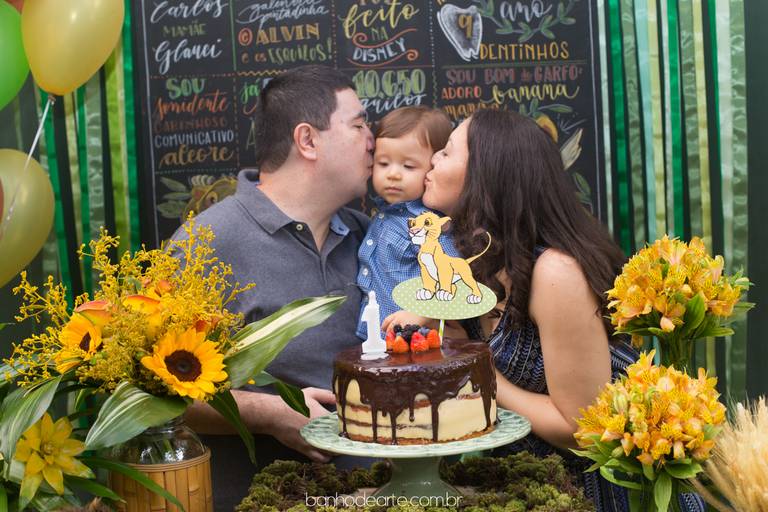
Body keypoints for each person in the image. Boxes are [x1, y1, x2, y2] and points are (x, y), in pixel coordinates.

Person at [410, 109, 705, 511]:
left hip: (602, 495)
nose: (432, 162)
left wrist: (480, 372)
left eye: (446, 152)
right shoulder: (477, 261)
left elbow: (583, 428)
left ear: (487, 173)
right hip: (533, 486)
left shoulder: (555, 272)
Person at [176, 65, 374, 510]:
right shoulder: (207, 244)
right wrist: (270, 413)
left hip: (373, 494)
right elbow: (157, 396)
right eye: (359, 124)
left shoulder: (371, 238)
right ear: (308, 140)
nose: (372, 140)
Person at [355, 106, 459, 340]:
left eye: (408, 166)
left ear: (434, 167)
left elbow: (451, 274)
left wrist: (422, 312)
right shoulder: (384, 215)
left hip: (414, 341)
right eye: (383, 164)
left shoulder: (426, 224)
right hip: (378, 341)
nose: (393, 174)